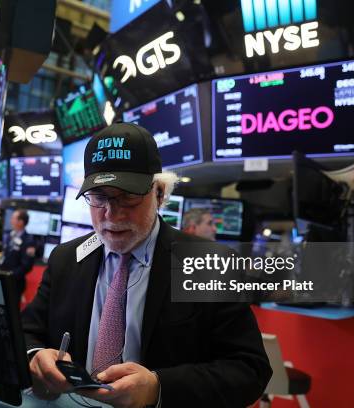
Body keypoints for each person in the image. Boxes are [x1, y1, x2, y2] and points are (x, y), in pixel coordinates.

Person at [22, 123, 271, 407]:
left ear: (160, 193)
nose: (111, 214)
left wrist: (158, 388)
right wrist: (36, 355)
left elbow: (249, 370)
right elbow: (28, 332)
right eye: (99, 197)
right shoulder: (67, 258)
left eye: (128, 195)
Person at [1, 209, 36, 305]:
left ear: (21, 222)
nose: (11, 220)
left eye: (13, 218)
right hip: (3, 279)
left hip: (15, 283)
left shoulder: (29, 241)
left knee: (11, 312)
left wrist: (10, 275)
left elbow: (27, 266)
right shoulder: (10, 235)